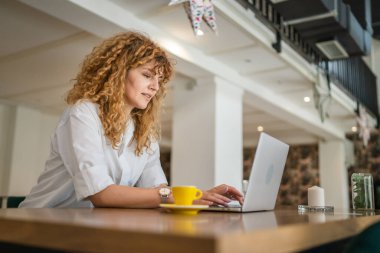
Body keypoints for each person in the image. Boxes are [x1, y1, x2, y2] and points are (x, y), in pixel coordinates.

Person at [19, 31, 244, 208]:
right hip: (39, 224)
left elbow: (157, 189)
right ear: (117, 73)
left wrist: (201, 196)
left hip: (91, 226)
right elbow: (101, 194)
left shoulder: (142, 129)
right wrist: (174, 196)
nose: (155, 87)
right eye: (147, 75)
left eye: (159, 80)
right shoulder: (83, 113)